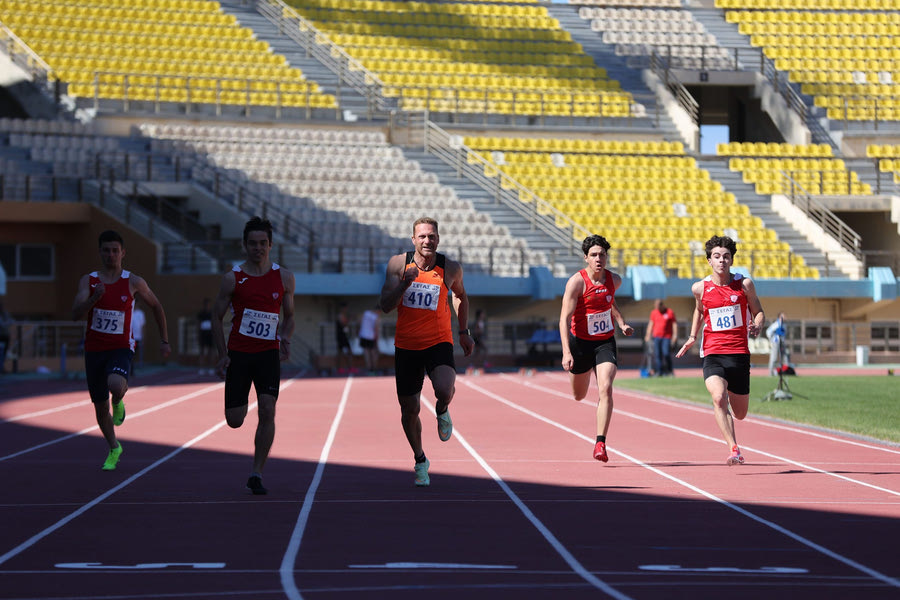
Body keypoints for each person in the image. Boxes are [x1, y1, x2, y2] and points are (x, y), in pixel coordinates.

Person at [379, 216, 474, 486]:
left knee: (444, 388)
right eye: (422, 236)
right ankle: (420, 460)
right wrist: (403, 284)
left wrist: (464, 332)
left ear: (438, 239)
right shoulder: (398, 264)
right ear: (413, 240)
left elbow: (461, 295)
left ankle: (442, 409)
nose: (427, 241)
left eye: (431, 236)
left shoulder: (450, 268)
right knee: (409, 409)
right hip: (407, 346)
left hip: (438, 341)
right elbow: (385, 304)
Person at [71, 230, 171, 470]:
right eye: (106, 250)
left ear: (123, 253)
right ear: (100, 252)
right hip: (94, 348)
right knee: (98, 405)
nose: (110, 255)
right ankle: (114, 446)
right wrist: (94, 298)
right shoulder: (89, 281)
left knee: (115, 384)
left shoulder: (133, 281)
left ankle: (119, 399)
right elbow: (75, 314)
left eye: (115, 250)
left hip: (121, 346)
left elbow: (157, 306)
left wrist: (164, 340)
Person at [211, 217, 295, 495]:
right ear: (244, 245)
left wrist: (285, 337)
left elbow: (290, 316)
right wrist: (222, 354)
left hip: (268, 354)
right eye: (252, 244)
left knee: (268, 408)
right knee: (235, 420)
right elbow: (216, 317)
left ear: (270, 245)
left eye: (262, 243)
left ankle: (256, 473)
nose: (257, 248)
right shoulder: (232, 278)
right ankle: (237, 407)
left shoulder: (284, 277)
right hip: (239, 355)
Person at [675, 235, 765, 466]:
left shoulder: (744, 285)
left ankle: (734, 429)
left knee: (741, 413)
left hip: (739, 355)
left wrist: (758, 324)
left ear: (732, 260)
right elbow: (698, 310)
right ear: (709, 261)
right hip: (713, 354)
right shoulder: (700, 288)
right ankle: (734, 449)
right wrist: (693, 336)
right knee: (717, 397)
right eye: (717, 257)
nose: (722, 261)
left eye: (726, 257)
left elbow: (759, 311)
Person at [559, 235, 634, 463]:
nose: (598, 258)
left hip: (604, 342)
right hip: (580, 343)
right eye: (593, 255)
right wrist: (566, 351)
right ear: (586, 258)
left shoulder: (615, 280)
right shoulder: (576, 283)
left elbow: (608, 301)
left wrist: (621, 323)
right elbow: (564, 318)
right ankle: (580, 378)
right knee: (579, 395)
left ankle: (600, 443)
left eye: (602, 254)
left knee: (606, 388)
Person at [644, 299, 678, 376]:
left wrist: (675, 335)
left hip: (667, 337)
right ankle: (659, 372)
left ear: (662, 305)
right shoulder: (654, 313)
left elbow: (674, 324)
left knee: (666, 353)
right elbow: (651, 324)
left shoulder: (669, 312)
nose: (658, 309)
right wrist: (648, 335)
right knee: (657, 355)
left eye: (659, 307)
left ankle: (669, 371)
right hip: (657, 337)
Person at [358, 304, 380, 374]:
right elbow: (376, 329)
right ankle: (373, 369)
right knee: (374, 353)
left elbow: (360, 321)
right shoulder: (376, 317)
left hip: (363, 335)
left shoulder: (366, 313)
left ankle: (369, 369)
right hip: (371, 337)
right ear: (378, 311)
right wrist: (377, 339)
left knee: (366, 353)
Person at [767, 312, 788, 376]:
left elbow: (784, 333)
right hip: (776, 342)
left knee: (784, 356)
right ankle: (771, 372)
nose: (784, 317)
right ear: (779, 317)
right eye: (783, 316)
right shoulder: (776, 324)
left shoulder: (784, 325)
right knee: (774, 357)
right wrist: (772, 339)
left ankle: (784, 371)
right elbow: (768, 331)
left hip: (782, 342)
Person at [197, 297, 214, 375]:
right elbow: (198, 324)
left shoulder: (212, 313)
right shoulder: (201, 314)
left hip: (210, 334)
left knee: (210, 352)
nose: (207, 306)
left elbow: (214, 324)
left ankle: (210, 368)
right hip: (203, 334)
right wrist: (198, 334)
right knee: (202, 351)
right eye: (206, 304)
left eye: (208, 305)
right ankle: (201, 368)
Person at [335, 302, 353, 374]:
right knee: (341, 352)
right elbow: (344, 323)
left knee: (347, 352)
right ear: (342, 308)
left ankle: (347, 367)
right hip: (341, 336)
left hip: (343, 335)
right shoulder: (340, 315)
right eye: (345, 308)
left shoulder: (343, 315)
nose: (346, 310)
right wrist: (349, 319)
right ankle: (341, 367)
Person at [131, 305, 146, 372]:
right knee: (131, 353)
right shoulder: (130, 312)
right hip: (131, 337)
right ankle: (131, 368)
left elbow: (143, 325)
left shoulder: (140, 313)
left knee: (136, 353)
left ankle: (136, 366)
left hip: (138, 337)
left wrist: (143, 336)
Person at [0, 298, 11, 374]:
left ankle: (2, 367)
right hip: (0, 336)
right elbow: (3, 324)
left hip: (6, 335)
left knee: (4, 353)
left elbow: (10, 321)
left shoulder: (5, 313)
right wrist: (7, 323)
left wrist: (7, 322)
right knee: (0, 352)